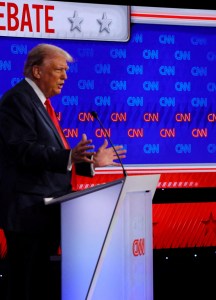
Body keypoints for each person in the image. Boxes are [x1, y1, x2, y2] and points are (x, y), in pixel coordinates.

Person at [0, 43, 127, 300]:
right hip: (28, 214)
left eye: (66, 71)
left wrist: (90, 162)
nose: (65, 76)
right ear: (37, 71)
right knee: (26, 285)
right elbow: (23, 151)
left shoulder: (39, 102)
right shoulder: (17, 100)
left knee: (40, 284)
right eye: (59, 70)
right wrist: (70, 156)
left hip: (45, 212)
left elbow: (50, 158)